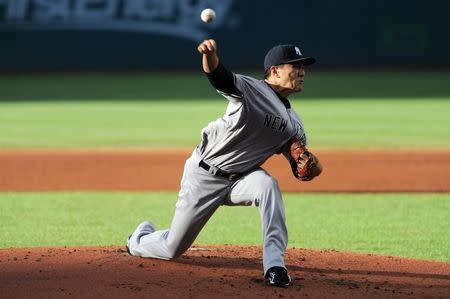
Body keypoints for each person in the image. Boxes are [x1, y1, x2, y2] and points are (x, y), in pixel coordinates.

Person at [126, 39, 322, 287]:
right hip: (204, 175)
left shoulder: (295, 124)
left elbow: (302, 168)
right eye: (295, 66)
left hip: (243, 178)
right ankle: (138, 239)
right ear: (274, 71)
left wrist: (312, 167)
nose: (302, 71)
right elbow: (219, 77)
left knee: (267, 186)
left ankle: (275, 265)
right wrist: (210, 55)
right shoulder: (252, 90)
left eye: (304, 66)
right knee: (172, 248)